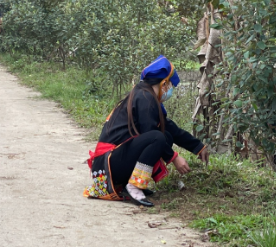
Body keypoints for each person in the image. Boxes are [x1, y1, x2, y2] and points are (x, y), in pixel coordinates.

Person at [84, 55, 209, 207]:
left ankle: (128, 183)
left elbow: (170, 128)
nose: (170, 90)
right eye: (171, 85)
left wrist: (198, 147)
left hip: (109, 163)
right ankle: (135, 185)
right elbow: (151, 134)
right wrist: (174, 157)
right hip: (108, 163)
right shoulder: (145, 98)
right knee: (157, 137)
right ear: (164, 83)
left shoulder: (144, 95)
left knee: (166, 135)